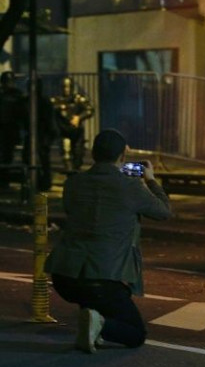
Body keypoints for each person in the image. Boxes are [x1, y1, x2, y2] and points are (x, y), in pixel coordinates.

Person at [45, 128, 172, 353]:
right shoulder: (131, 187)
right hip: (104, 279)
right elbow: (163, 211)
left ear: (93, 153)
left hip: (65, 277)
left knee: (91, 294)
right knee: (135, 334)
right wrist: (150, 180)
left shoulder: (73, 184)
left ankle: (91, 324)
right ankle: (99, 325)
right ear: (122, 156)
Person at [51, 77, 95, 170]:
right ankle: (69, 173)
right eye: (64, 87)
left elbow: (90, 109)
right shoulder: (56, 100)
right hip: (64, 132)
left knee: (78, 154)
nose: (66, 89)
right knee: (66, 153)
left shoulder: (78, 99)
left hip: (76, 132)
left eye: (68, 87)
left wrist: (79, 117)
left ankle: (75, 171)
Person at [22, 78, 58, 192]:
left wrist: (49, 136)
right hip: (33, 134)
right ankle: (36, 181)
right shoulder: (27, 101)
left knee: (43, 159)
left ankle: (43, 183)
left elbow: (49, 121)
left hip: (42, 134)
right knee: (29, 158)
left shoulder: (44, 102)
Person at [0, 71, 26, 187]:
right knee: (5, 155)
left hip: (10, 129)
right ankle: (4, 180)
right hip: (3, 128)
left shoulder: (17, 95)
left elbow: (20, 112)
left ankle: (4, 180)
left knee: (7, 155)